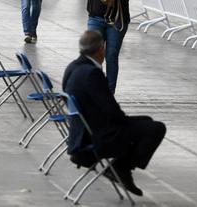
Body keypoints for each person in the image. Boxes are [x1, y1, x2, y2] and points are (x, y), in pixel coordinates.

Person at [63, 30, 166, 197]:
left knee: (146, 122)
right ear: (100, 50)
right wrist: (128, 122)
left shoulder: (73, 67)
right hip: (97, 135)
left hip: (81, 130)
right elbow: (112, 111)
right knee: (155, 128)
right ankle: (121, 168)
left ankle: (121, 167)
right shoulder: (92, 73)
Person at [77, 0, 141, 94]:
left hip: (117, 21)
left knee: (111, 55)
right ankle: (93, 88)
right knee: (92, 53)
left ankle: (109, 92)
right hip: (95, 19)